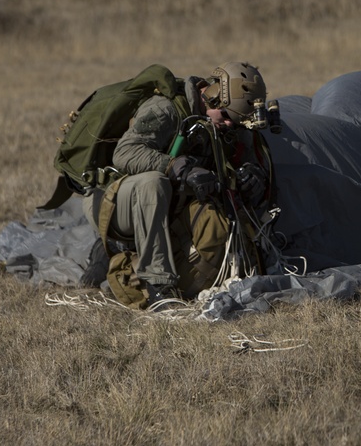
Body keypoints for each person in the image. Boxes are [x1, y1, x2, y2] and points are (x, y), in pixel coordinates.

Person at [83, 61, 275, 308]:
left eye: (236, 121)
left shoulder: (228, 124)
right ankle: (158, 285)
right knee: (154, 182)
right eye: (226, 116)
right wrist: (175, 166)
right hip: (113, 204)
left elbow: (248, 160)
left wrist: (253, 176)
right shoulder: (166, 110)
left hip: (163, 209)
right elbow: (124, 154)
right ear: (211, 97)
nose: (229, 125)